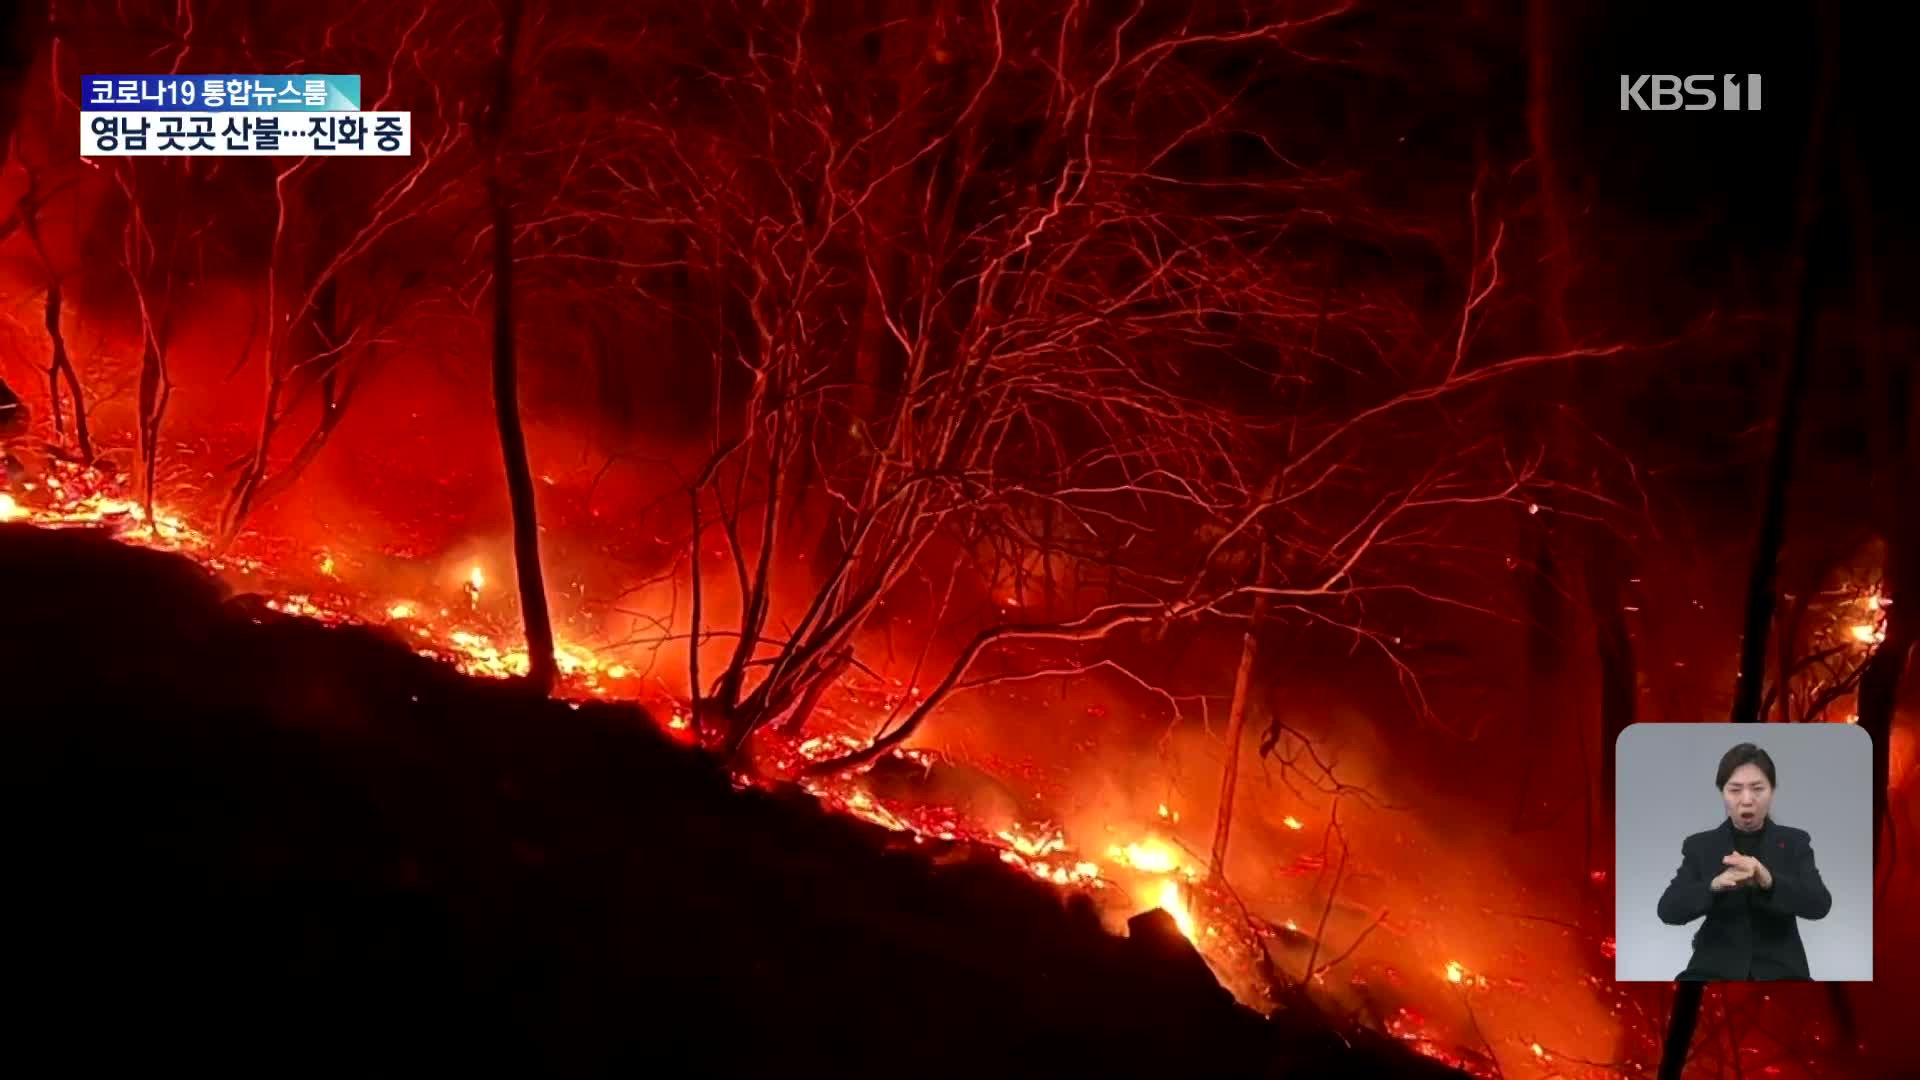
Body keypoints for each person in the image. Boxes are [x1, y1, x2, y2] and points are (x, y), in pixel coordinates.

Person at [1656, 742, 1833, 980]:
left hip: (1782, 971)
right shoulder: (1700, 846)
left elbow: (1819, 905)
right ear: (1723, 793)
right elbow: (1668, 910)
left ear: (1772, 790)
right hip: (1712, 970)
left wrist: (1769, 881)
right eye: (1735, 789)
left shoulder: (1794, 842)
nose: (1747, 800)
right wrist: (1714, 885)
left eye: (1758, 789)